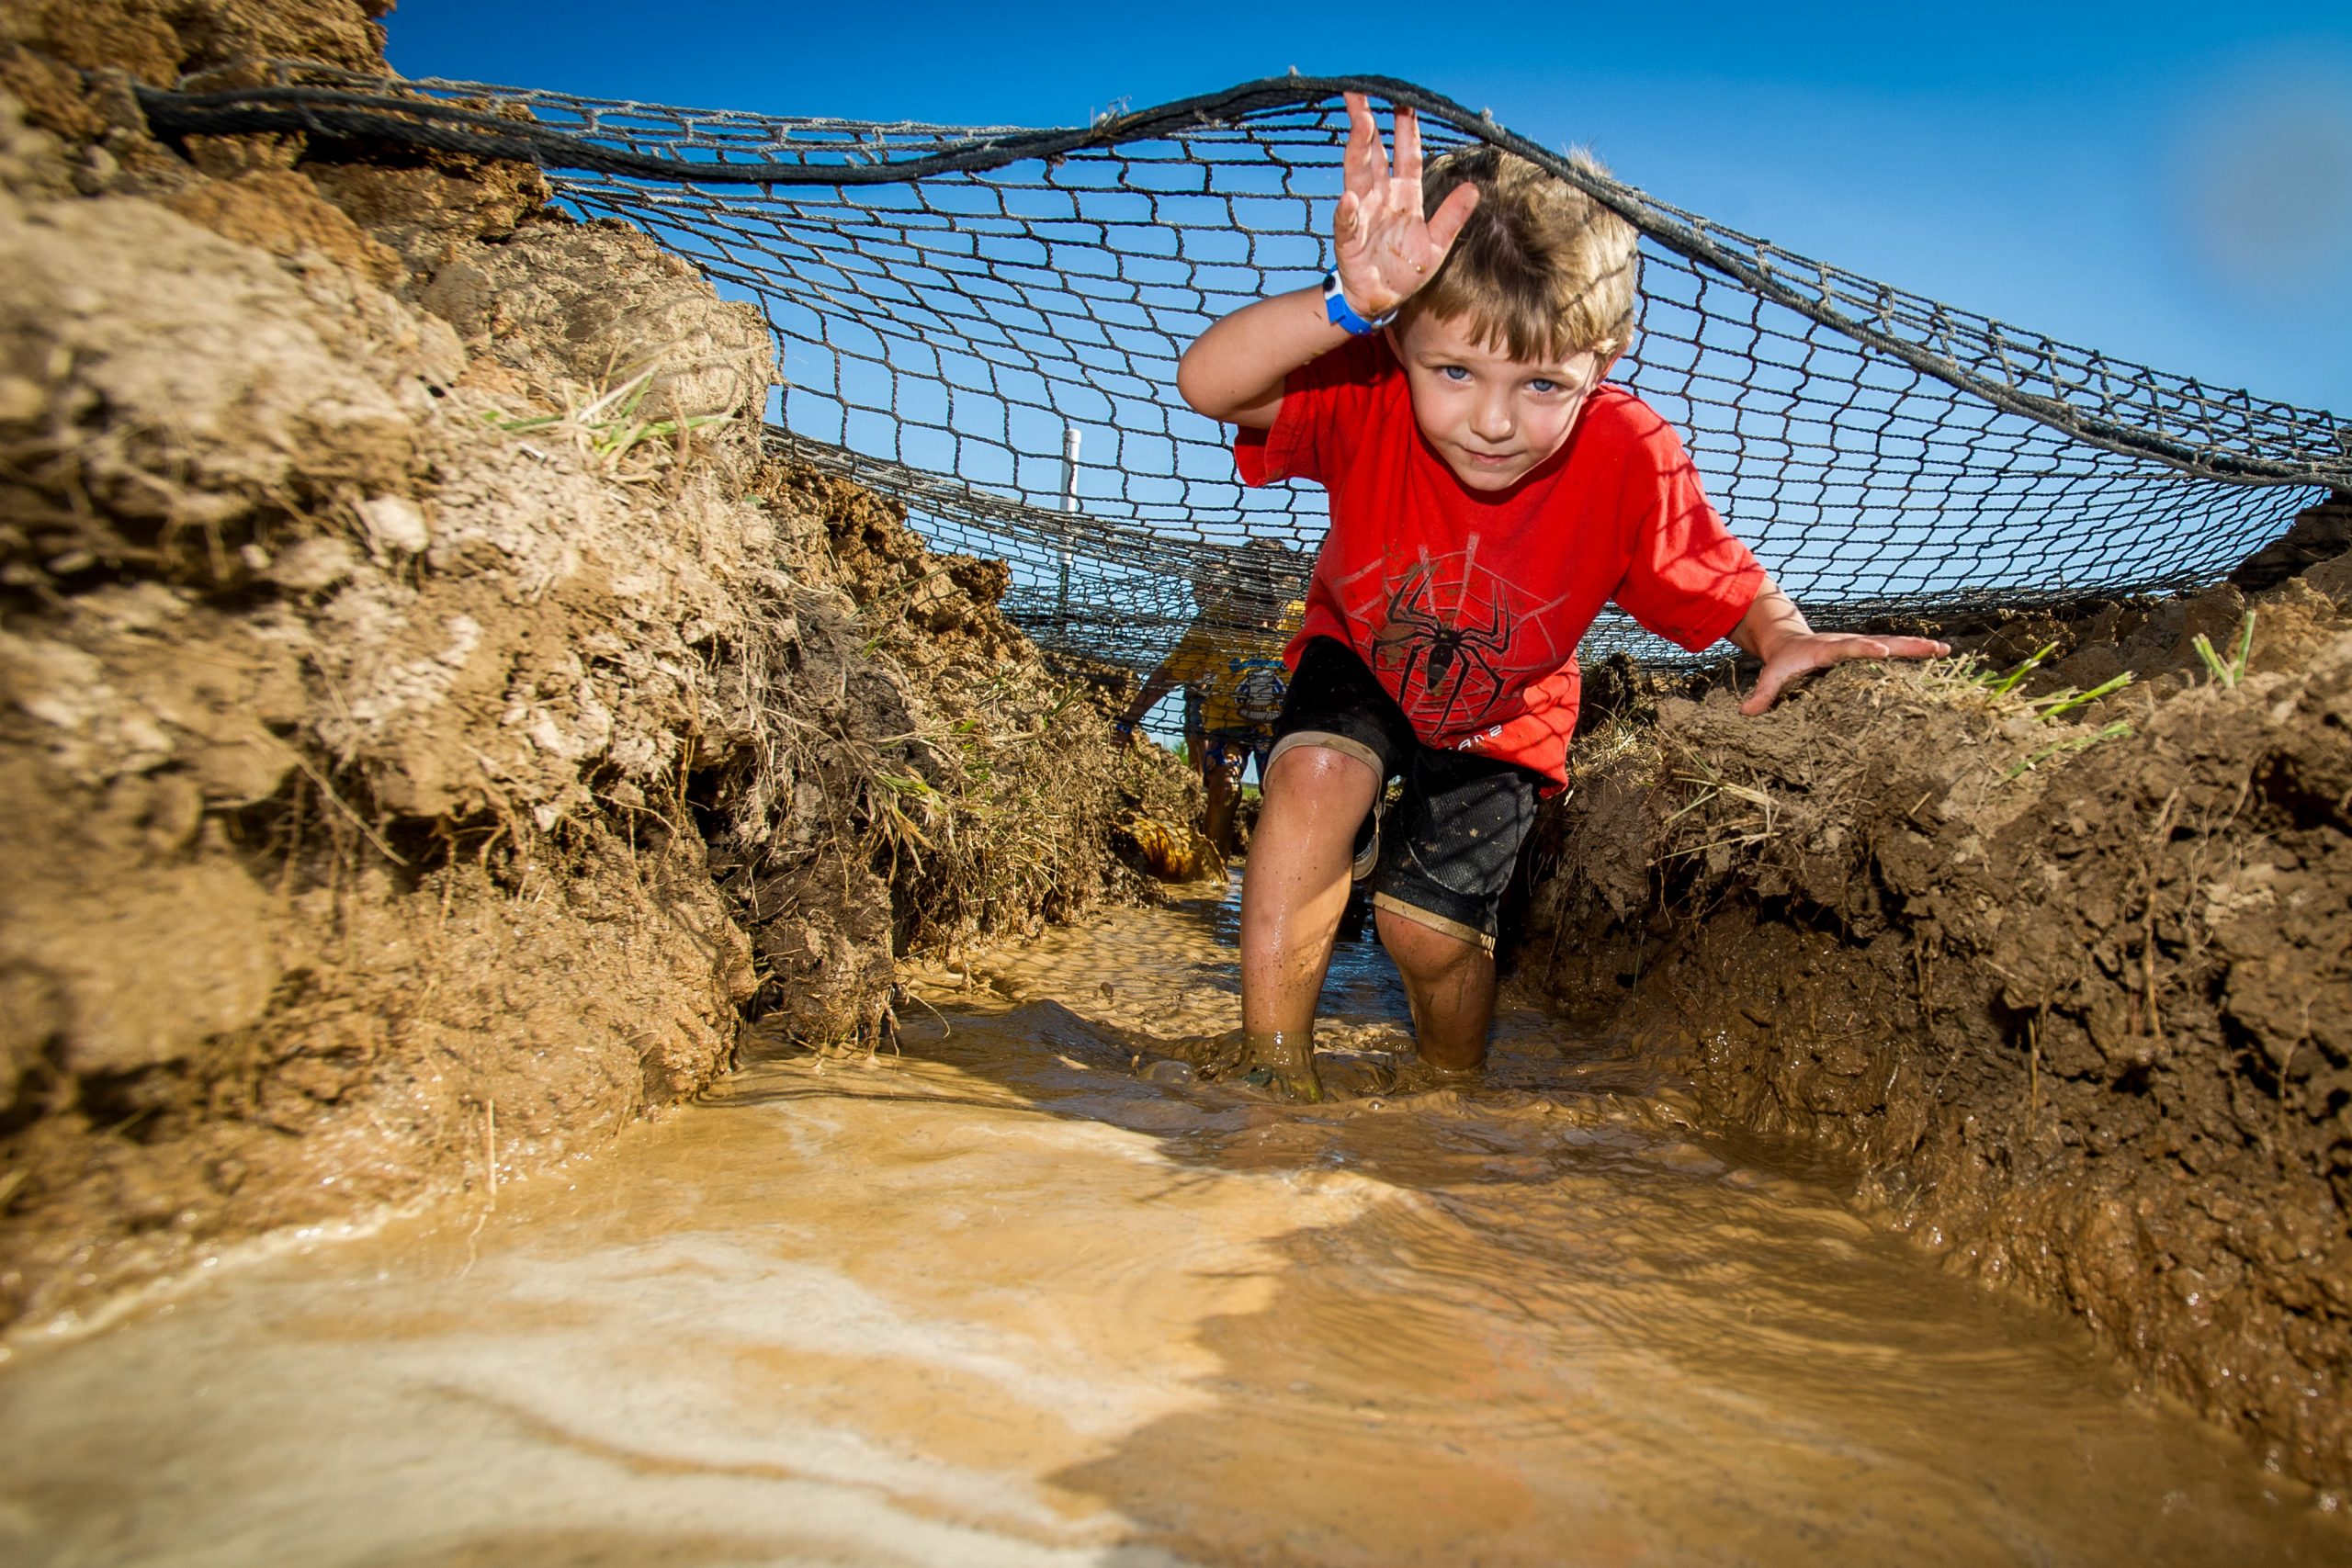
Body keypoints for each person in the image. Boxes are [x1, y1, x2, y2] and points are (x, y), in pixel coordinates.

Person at [1174, 94, 1948, 1100]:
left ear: (1603, 362)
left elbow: (1722, 572)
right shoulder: (1363, 381)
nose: (1492, 420)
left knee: (1423, 932)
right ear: (1402, 341)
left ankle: (1449, 1091)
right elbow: (1209, 385)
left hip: (1507, 705)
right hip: (1361, 646)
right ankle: (1271, 1074)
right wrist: (1343, 306)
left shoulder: (1629, 454)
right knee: (1312, 775)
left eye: (1541, 385)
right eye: (1453, 371)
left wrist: (1786, 637)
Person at [1115, 541, 1304, 857]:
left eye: (1272, 607)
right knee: (1224, 785)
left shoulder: (1305, 620)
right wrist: (1126, 724)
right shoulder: (1214, 623)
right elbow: (1165, 676)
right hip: (1227, 721)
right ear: (1237, 594)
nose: (1263, 622)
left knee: (1278, 793)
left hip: (1281, 727)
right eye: (1251, 604)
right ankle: (1213, 869)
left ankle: (1273, 870)